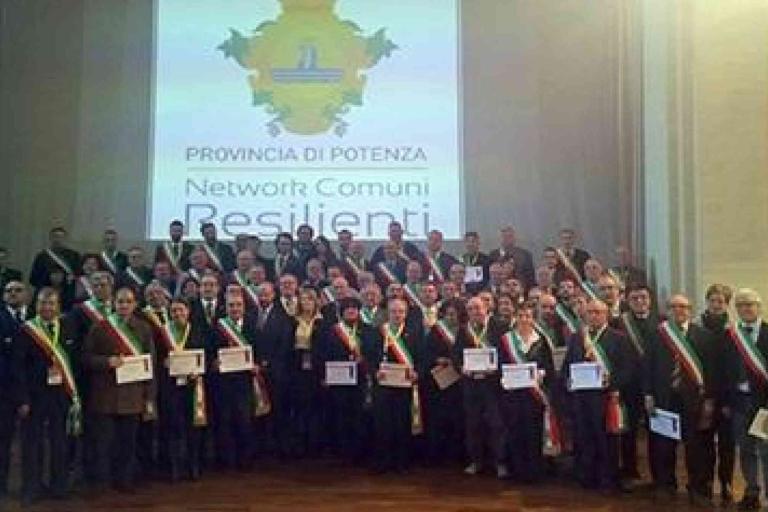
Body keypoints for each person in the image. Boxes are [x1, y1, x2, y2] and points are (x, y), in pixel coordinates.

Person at [644, 294, 718, 506]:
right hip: (663, 399)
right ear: (667, 310)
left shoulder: (704, 336)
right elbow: (647, 367)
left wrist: (709, 400)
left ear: (691, 310)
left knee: (696, 447)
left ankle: (697, 487)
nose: (679, 310)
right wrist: (648, 394)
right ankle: (666, 484)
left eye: (683, 307)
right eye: (674, 307)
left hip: (694, 401)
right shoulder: (657, 335)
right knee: (664, 446)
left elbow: (711, 371)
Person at [82, 287, 156, 493]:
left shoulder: (143, 328)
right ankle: (101, 482)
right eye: (120, 301)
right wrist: (106, 361)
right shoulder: (100, 327)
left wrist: (149, 396)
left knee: (128, 443)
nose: (124, 305)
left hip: (132, 395)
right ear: (113, 303)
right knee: (103, 444)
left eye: (128, 301)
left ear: (134, 304)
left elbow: (151, 364)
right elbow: (86, 359)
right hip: (106, 395)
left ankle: (124, 481)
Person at [14, 288, 79, 505]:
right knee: (32, 443)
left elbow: (75, 362)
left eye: (51, 303)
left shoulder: (68, 326)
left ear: (59, 306)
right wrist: (22, 399)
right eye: (43, 303)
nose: (47, 307)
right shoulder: (26, 330)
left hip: (61, 394)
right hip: (34, 396)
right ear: (36, 305)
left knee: (60, 441)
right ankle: (31, 487)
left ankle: (59, 485)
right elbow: (18, 368)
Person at [563, 299, 631, 492]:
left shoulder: (619, 338)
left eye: (598, 312)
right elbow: (568, 366)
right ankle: (587, 477)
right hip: (581, 398)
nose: (593, 315)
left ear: (606, 315)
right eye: (590, 312)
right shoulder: (577, 338)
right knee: (584, 438)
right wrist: (568, 380)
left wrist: (611, 382)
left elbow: (628, 369)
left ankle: (608, 479)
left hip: (606, 398)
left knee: (606, 441)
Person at [498, 303, 556, 483]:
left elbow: (549, 366)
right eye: (521, 315)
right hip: (513, 395)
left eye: (528, 316)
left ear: (533, 319)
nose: (524, 319)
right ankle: (517, 470)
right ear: (515, 318)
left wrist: (541, 374)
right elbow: (499, 365)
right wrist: (503, 376)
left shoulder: (541, 340)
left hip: (534, 395)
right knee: (515, 431)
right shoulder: (505, 340)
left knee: (533, 432)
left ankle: (534, 471)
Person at [723, 289, 767, 511]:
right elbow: (723, 372)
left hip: (765, 407)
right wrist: (726, 403)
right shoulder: (731, 336)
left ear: (759, 307)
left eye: (750, 304)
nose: (746, 308)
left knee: (767, 451)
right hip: (739, 404)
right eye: (740, 305)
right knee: (746, 450)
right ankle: (751, 492)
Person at [457, 297, 507, 479]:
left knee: (496, 424)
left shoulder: (500, 327)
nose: (474, 312)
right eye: (470, 309)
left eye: (478, 308)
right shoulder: (463, 331)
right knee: (473, 424)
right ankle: (476, 461)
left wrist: (496, 368)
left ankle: (500, 462)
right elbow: (456, 355)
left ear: (487, 308)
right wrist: (461, 367)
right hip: (471, 385)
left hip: (493, 385)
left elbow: (507, 353)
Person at [323, 297, 377, 464]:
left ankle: (360, 452)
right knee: (341, 416)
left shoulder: (369, 330)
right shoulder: (331, 332)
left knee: (360, 416)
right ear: (342, 312)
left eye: (354, 308)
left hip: (361, 379)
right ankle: (343, 452)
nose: (351, 311)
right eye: (347, 309)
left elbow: (375, 353)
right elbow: (323, 354)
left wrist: (365, 361)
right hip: (339, 380)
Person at [371, 298, 422, 473]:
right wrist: (374, 372)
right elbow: (369, 357)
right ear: (388, 313)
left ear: (406, 314)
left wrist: (417, 373)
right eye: (394, 311)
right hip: (383, 384)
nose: (397, 315)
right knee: (383, 423)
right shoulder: (378, 332)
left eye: (401, 311)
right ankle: (383, 461)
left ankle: (402, 463)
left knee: (402, 423)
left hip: (405, 385)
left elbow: (421, 358)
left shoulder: (414, 333)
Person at [210, 290, 255, 470]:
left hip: (244, 382)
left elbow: (259, 351)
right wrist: (213, 363)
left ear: (244, 307)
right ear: (225, 307)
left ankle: (245, 460)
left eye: (238, 305)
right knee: (224, 422)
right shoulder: (217, 328)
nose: (235, 308)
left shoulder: (252, 327)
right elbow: (210, 353)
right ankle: (226, 460)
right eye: (231, 305)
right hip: (223, 382)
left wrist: (257, 365)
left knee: (244, 421)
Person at [699, 283, 735, 505]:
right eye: (712, 300)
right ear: (707, 302)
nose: (716, 304)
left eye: (720, 301)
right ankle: (706, 481)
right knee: (704, 440)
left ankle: (726, 482)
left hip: (726, 396)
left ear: (726, 304)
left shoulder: (734, 330)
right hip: (703, 395)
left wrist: (729, 399)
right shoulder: (696, 327)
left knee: (727, 443)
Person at [423, 298, 465, 465]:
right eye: (448, 314)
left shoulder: (465, 331)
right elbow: (426, 353)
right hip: (439, 381)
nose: (451, 317)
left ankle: (457, 454)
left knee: (458, 417)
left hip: (459, 380)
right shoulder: (436, 330)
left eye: (454, 314)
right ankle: (438, 454)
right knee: (438, 418)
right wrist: (436, 359)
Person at [0, 281, 30, 499]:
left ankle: (32, 485)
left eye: (18, 290)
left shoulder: (38, 319)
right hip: (5, 393)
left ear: (27, 294)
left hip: (38, 391)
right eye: (8, 291)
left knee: (33, 440)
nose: (13, 294)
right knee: (4, 441)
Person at [288, 287, 325, 457]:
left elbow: (328, 347)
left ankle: (316, 444)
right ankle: (299, 444)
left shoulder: (323, 321)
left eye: (311, 298)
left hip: (317, 370)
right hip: (297, 368)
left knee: (317, 407)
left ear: (316, 301)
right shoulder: (292, 321)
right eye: (304, 299)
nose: (307, 302)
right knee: (299, 406)